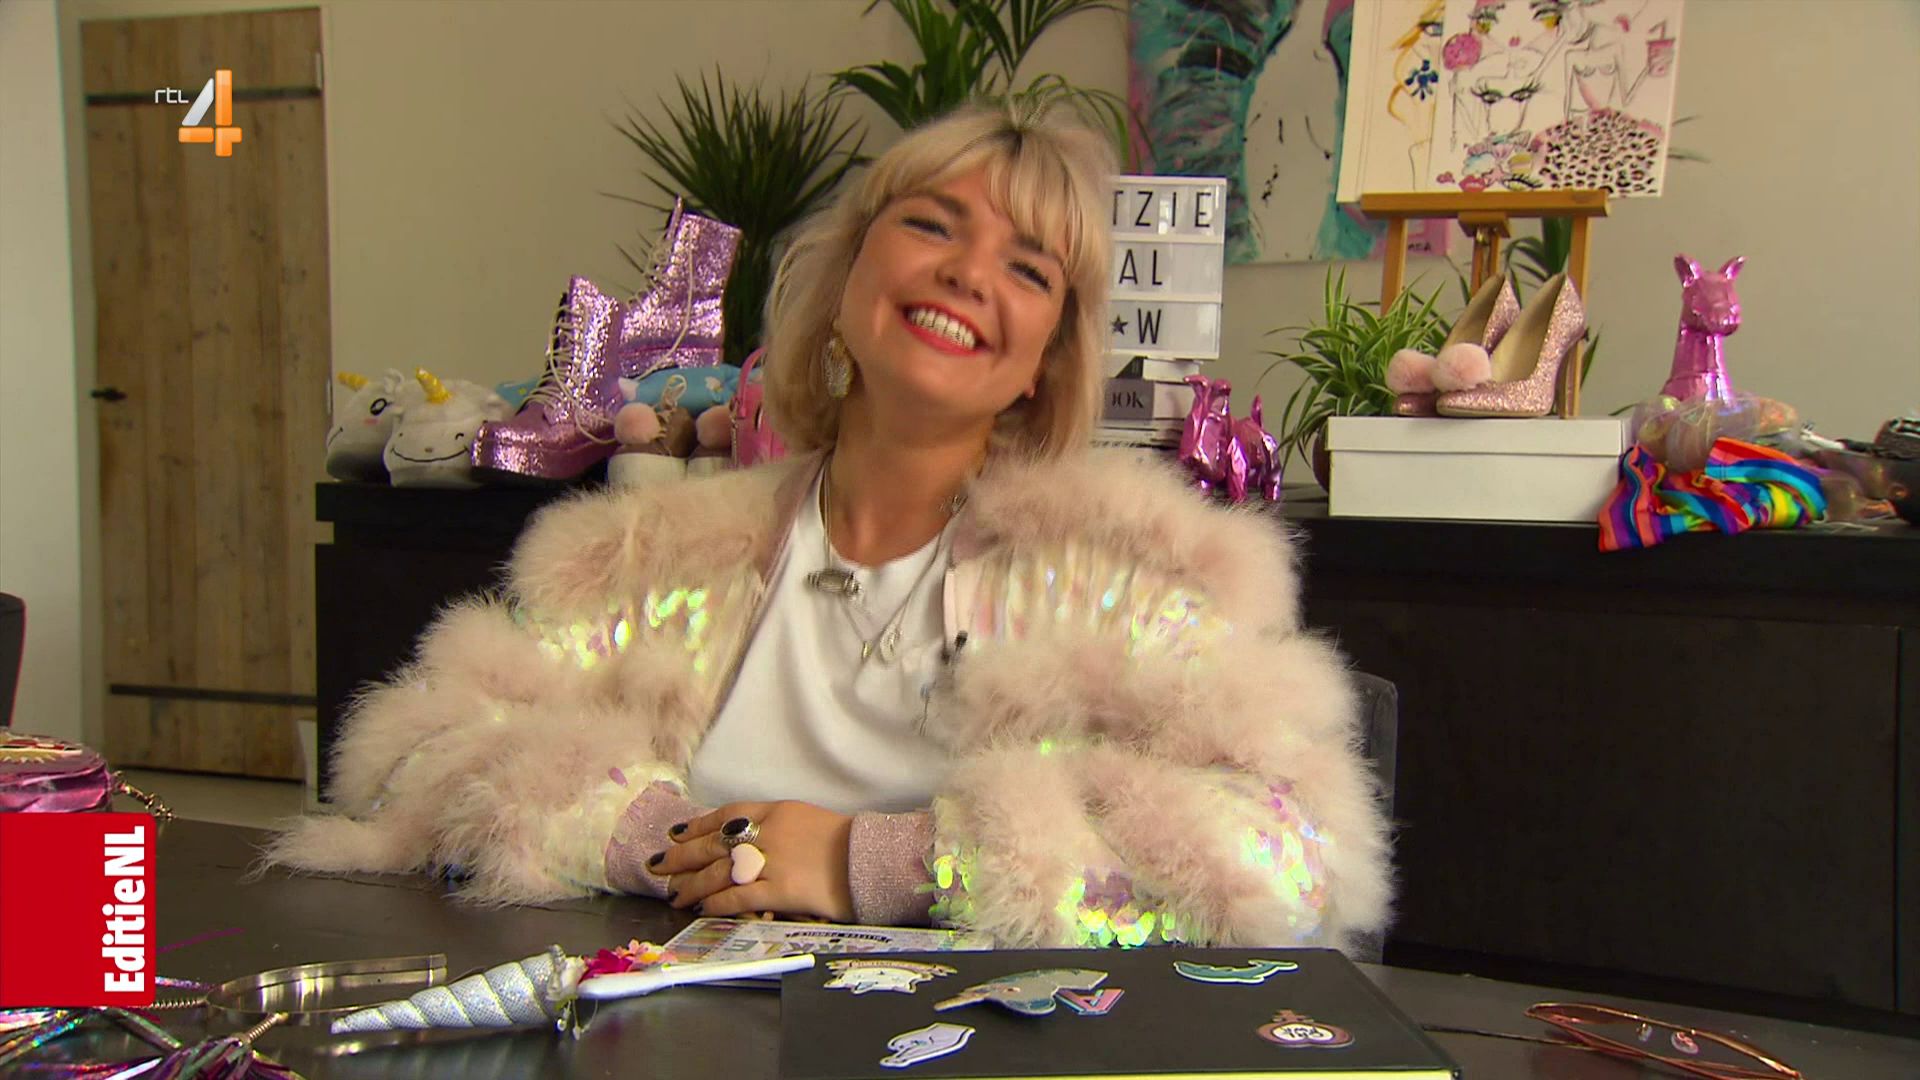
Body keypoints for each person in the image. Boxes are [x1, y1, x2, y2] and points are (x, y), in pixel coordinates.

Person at [269, 102, 1392, 952]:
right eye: (932, 225)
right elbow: (413, 757)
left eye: (1027, 268)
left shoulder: (1131, 571)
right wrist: (661, 837)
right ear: (850, 273)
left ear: (1046, 360)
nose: (968, 273)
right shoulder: (648, 555)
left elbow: (1289, 857)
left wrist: (881, 861)